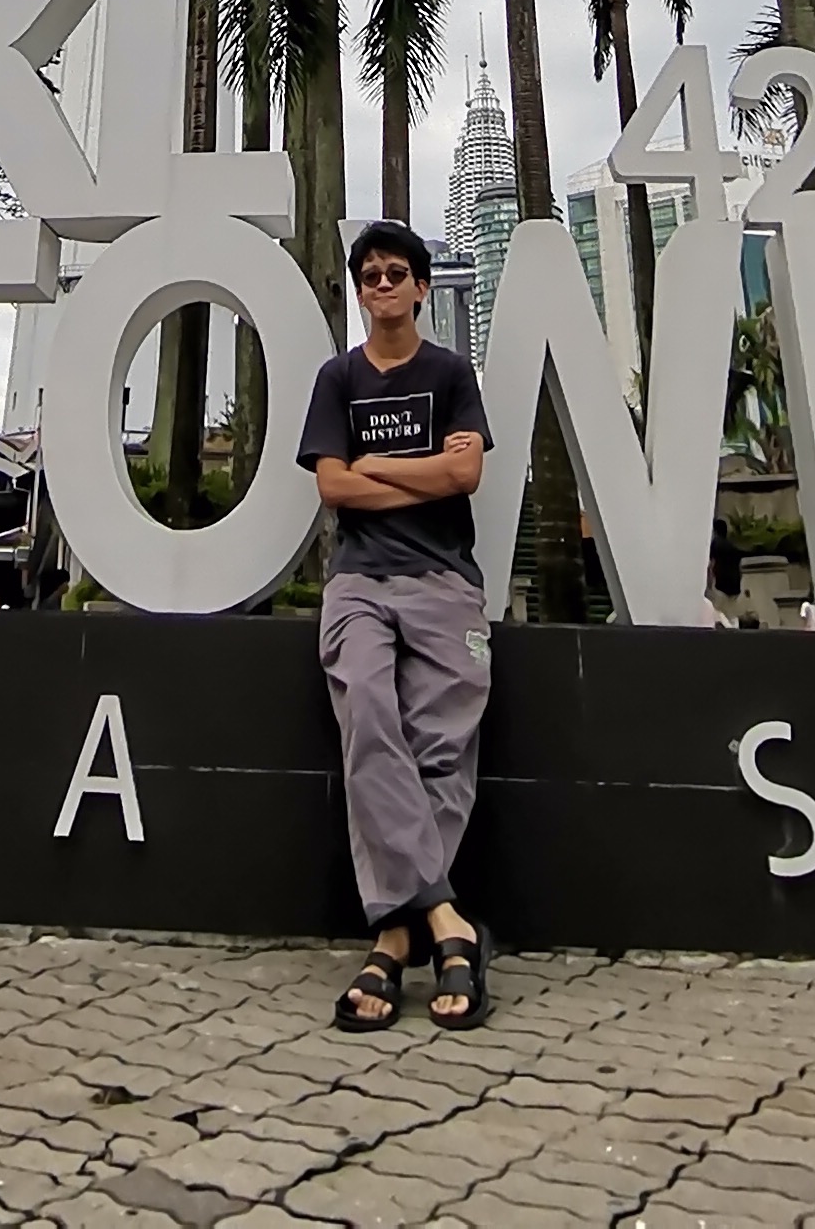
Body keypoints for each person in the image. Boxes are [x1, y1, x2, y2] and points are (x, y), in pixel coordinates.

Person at [296, 220, 495, 1032]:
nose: (382, 286)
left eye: (395, 274)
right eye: (370, 276)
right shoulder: (336, 378)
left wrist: (376, 466)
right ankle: (448, 922)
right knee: (370, 718)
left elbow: (468, 472)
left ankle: (390, 940)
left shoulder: (450, 371)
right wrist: (420, 477)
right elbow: (333, 491)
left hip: (445, 583)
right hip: (361, 585)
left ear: (420, 286)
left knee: (443, 748)